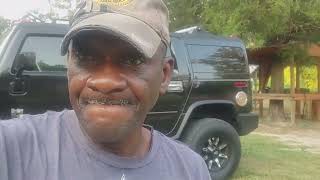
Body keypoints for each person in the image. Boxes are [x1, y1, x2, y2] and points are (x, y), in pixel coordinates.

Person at [0, 0, 211, 179]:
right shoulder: (12, 149)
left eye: (132, 59)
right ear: (69, 65)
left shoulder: (191, 170)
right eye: (86, 57)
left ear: (164, 75)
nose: (106, 82)